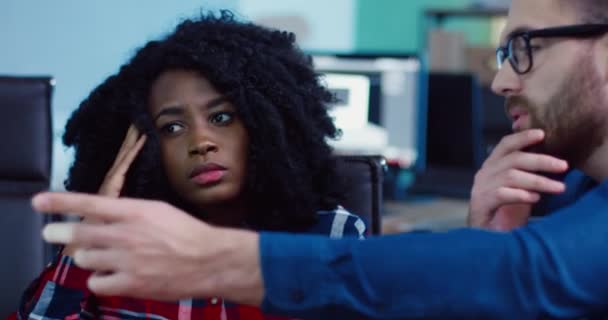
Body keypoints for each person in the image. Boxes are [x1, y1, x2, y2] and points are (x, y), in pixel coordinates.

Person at [32, 0, 608, 318]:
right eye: (502, 51)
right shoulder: (567, 192)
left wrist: (218, 260)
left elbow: (534, 272)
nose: (500, 78)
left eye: (524, 47)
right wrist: (486, 241)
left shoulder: (329, 231)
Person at [16, 11, 366, 320]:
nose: (200, 143)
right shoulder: (115, 253)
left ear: (266, 126)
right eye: (172, 127)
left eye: (222, 116)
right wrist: (92, 226)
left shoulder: (330, 238)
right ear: (145, 148)